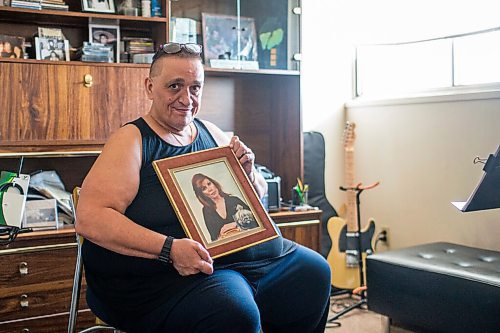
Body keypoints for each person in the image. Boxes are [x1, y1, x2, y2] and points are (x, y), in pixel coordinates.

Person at [76, 42, 331, 333]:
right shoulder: (132, 140)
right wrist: (169, 249)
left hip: (235, 263)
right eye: (175, 86)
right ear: (149, 87)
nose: (186, 98)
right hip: (166, 278)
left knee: (314, 272)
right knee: (234, 311)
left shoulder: (211, 131)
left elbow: (258, 197)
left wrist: (247, 174)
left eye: (195, 87)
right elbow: (90, 217)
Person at [192, 173, 258, 241]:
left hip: (249, 240)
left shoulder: (234, 200)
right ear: (201, 194)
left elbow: (257, 220)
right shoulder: (206, 211)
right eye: (204, 188)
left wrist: (235, 224)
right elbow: (214, 238)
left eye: (209, 184)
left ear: (214, 183)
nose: (210, 189)